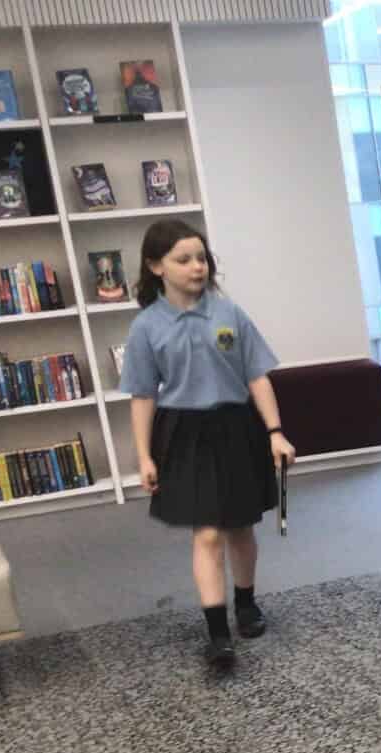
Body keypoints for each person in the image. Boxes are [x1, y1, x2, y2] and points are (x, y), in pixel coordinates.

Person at [120, 218, 295, 665]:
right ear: (156, 266)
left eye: (201, 258)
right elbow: (143, 396)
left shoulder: (229, 314)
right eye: (183, 259)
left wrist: (275, 432)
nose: (197, 267)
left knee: (240, 527)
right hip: (183, 433)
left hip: (236, 427)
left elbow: (257, 377)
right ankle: (217, 633)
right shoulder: (145, 327)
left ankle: (246, 603)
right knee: (208, 532)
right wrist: (143, 456)